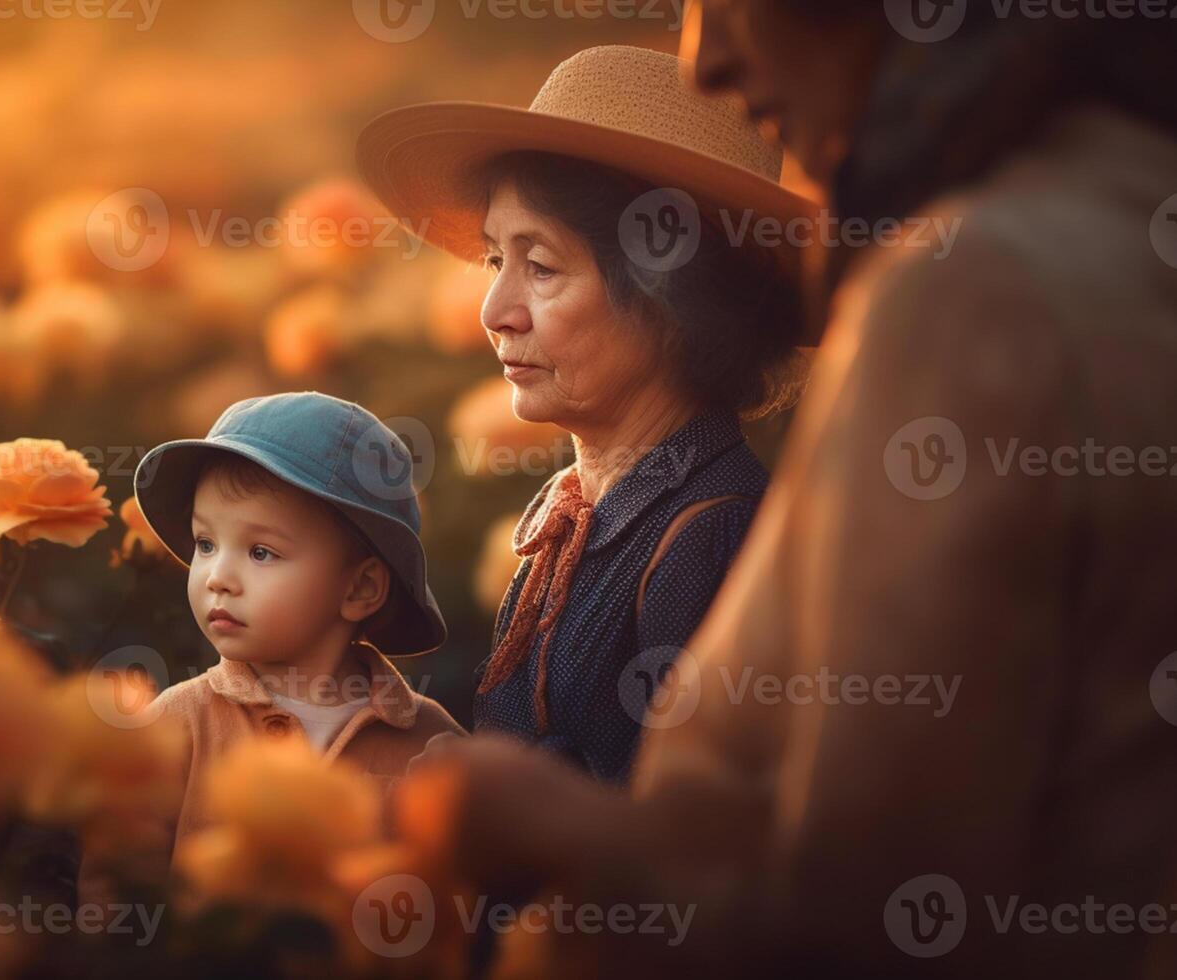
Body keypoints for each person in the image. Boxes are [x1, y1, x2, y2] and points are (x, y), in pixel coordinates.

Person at [399, 8, 1177, 978]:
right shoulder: (1121, 219)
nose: (704, 56)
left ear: (673, 299)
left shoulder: (970, 291)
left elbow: (863, 906)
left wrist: (533, 819)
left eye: (728, 3)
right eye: (491, 256)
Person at [357, 45, 812, 781]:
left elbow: (666, 849)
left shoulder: (709, 537)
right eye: (491, 261)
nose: (495, 311)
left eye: (539, 266)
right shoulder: (575, 514)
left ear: (674, 302)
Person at [120, 392, 464, 867]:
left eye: (261, 552)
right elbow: (115, 892)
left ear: (361, 588)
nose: (217, 576)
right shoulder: (177, 724)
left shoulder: (430, 742)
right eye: (205, 543)